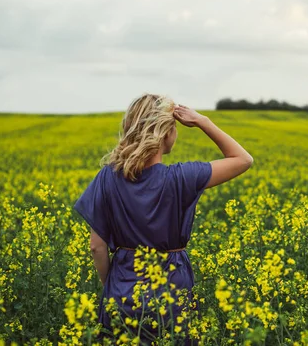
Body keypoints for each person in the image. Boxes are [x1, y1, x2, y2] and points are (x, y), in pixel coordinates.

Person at [73, 93, 254, 344]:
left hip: (122, 294)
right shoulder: (182, 177)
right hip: (172, 296)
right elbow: (243, 159)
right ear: (166, 132)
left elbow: (97, 246)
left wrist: (112, 285)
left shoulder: (107, 177)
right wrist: (203, 121)